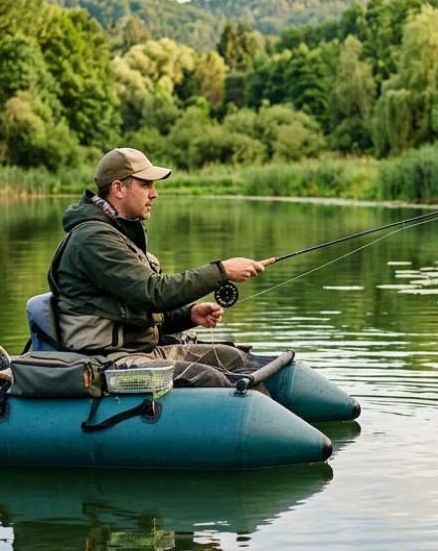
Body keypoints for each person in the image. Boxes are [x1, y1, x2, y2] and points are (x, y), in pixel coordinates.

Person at [47, 147, 272, 388]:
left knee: (235, 359)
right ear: (118, 188)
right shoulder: (94, 239)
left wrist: (190, 315)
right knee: (209, 379)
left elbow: (137, 308)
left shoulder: (119, 234)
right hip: (106, 361)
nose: (154, 194)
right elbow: (153, 293)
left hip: (141, 352)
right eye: (146, 185)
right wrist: (222, 272)